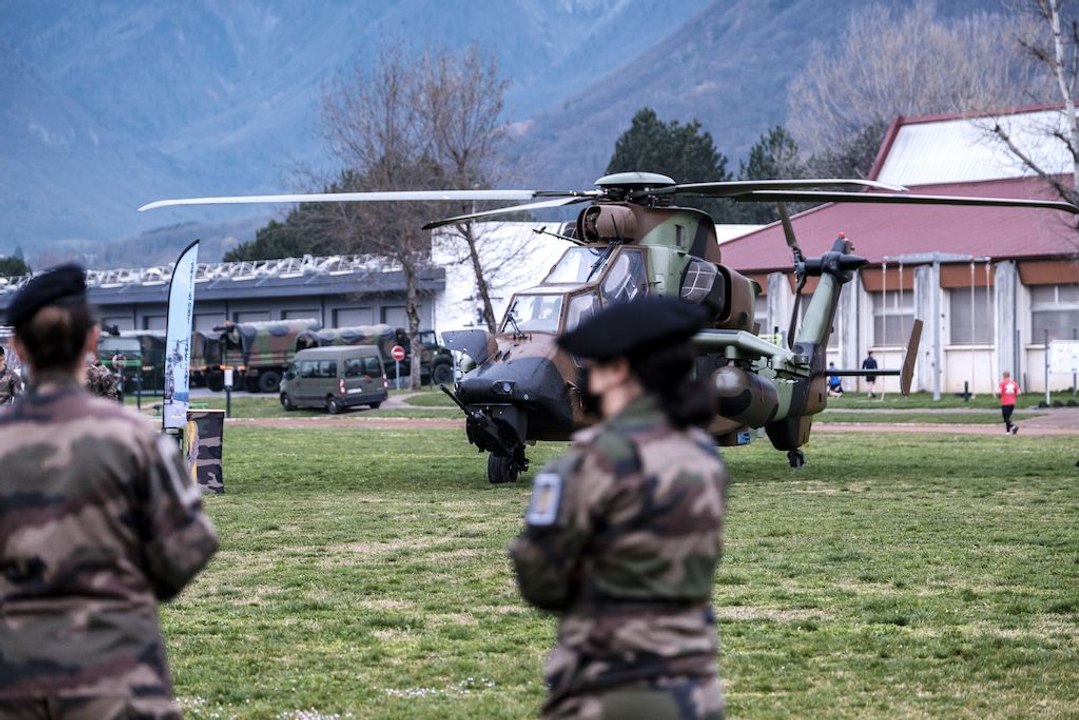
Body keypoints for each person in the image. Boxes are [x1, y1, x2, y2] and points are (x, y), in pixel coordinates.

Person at [0, 263, 219, 720]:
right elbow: (185, 552)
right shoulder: (133, 440)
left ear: (17, 347)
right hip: (117, 682)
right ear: (93, 339)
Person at [510, 296, 728, 720]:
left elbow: (542, 583)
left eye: (598, 367)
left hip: (609, 691)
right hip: (694, 691)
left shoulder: (596, 462)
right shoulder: (702, 454)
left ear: (620, 371)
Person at [999, 370, 1021, 435]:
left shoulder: (1002, 383)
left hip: (1005, 402)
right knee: (1008, 417)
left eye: (1003, 375)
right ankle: (1008, 432)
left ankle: (1014, 426)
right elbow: (1019, 392)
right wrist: (1014, 396)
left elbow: (999, 392)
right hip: (1012, 402)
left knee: (1005, 418)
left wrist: (1000, 396)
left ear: (1005, 375)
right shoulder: (1014, 383)